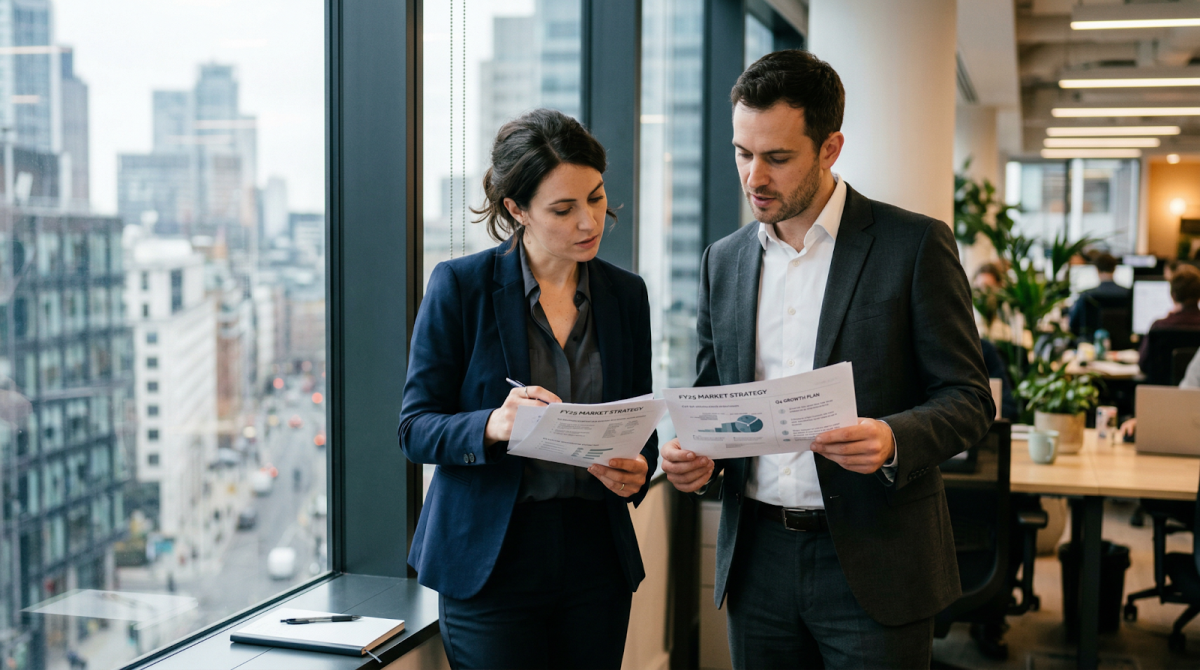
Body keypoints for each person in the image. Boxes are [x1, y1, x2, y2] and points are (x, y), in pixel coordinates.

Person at [661, 50, 994, 669]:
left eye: (777, 158)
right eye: (742, 152)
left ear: (830, 147)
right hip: (756, 558)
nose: (753, 176)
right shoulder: (723, 260)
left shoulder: (913, 245)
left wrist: (894, 437)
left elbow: (971, 399)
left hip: (875, 558)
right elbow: (714, 401)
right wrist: (695, 459)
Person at [399, 109, 658, 670]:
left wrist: (639, 469)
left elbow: (641, 420)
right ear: (516, 210)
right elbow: (414, 428)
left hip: (595, 556)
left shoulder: (625, 296)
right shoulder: (460, 288)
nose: (589, 221)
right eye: (563, 209)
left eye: (594, 197)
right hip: (492, 558)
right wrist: (493, 424)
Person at [1068, 252, 1131, 339]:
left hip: (1091, 345)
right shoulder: (1129, 294)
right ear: (1115, 269)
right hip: (1125, 344)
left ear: (1096, 270)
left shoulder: (1086, 295)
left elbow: (1073, 324)